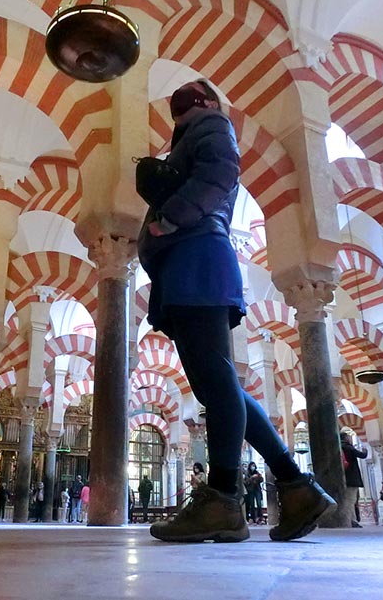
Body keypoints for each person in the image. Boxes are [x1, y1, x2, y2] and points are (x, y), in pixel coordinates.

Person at [138, 79, 335, 543]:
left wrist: (170, 218)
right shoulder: (193, 136)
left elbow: (221, 172)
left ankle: (224, 499)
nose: (181, 107)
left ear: (208, 103)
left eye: (189, 102)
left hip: (198, 259)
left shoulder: (212, 126)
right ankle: (296, 485)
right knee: (217, 384)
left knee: (218, 384)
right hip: (189, 264)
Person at [340, 432, 369, 528]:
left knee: (347, 500)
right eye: (349, 437)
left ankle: (352, 520)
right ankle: (350, 520)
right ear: (346, 438)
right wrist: (365, 450)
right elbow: (362, 455)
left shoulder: (339, 447)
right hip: (352, 477)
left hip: (343, 477)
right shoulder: (348, 447)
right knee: (351, 500)